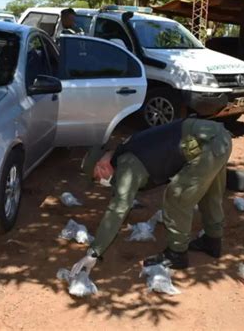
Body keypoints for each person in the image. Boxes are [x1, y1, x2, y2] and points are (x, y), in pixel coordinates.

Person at [70, 118, 233, 277]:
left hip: (206, 145)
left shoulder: (128, 165)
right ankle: (212, 241)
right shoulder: (123, 151)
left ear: (102, 166)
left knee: (176, 197)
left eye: (96, 177)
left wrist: (94, 252)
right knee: (209, 193)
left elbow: (118, 208)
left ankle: (176, 255)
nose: (99, 181)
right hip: (217, 136)